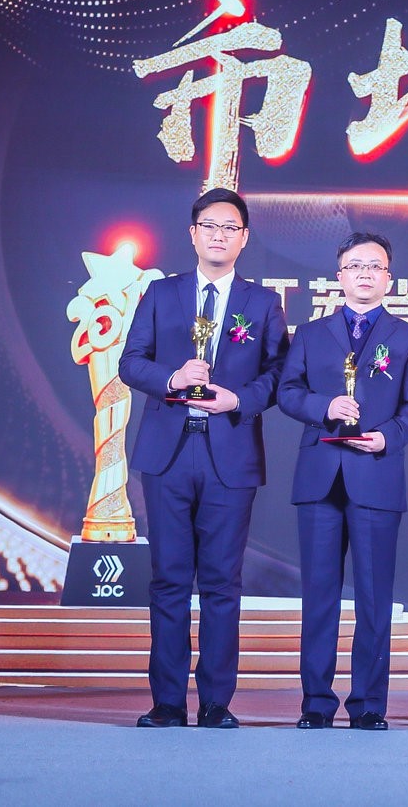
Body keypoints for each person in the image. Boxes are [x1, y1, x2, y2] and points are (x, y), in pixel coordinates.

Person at [119, 187, 289, 729]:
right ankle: (167, 701)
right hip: (168, 454)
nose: (219, 235)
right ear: (193, 234)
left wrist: (238, 400)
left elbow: (279, 375)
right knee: (169, 579)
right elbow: (130, 362)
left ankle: (217, 701)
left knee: (221, 582)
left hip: (230, 453)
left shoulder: (262, 303)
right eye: (210, 226)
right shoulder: (160, 294)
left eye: (230, 228)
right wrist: (173, 378)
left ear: (244, 238)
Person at [278, 231, 408, 731]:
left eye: (375, 266)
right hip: (319, 477)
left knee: (374, 598)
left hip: (376, 475)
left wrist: (387, 437)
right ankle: (316, 703)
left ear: (389, 279)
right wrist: (325, 406)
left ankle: (368, 704)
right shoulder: (310, 334)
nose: (365, 274)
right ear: (339, 275)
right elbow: (288, 393)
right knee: (319, 596)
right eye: (356, 265)